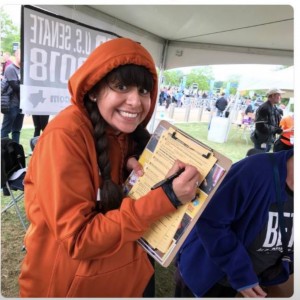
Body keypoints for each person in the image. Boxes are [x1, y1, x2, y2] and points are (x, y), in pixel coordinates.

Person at [18, 38, 200, 298]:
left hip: (128, 280)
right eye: (122, 86)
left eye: (144, 91)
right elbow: (80, 239)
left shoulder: (126, 134)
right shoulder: (65, 135)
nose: (136, 102)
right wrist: (166, 197)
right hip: (69, 288)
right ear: (93, 90)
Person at [175, 149, 294, 298]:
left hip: (258, 283)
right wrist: (241, 274)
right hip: (209, 279)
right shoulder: (255, 170)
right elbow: (210, 220)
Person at [1, 49, 24, 144]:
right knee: (6, 129)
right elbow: (15, 87)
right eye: (21, 55)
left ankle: (15, 151)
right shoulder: (10, 68)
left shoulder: (23, 69)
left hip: (21, 104)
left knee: (17, 130)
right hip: (11, 104)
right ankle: (2, 151)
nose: (23, 58)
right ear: (16, 55)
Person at [251, 88, 283, 152]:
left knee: (263, 159)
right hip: (262, 140)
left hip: (269, 140)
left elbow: (274, 123)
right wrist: (276, 129)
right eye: (278, 95)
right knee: (259, 159)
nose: (280, 97)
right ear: (273, 95)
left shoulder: (274, 108)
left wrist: (279, 128)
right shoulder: (264, 108)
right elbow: (260, 126)